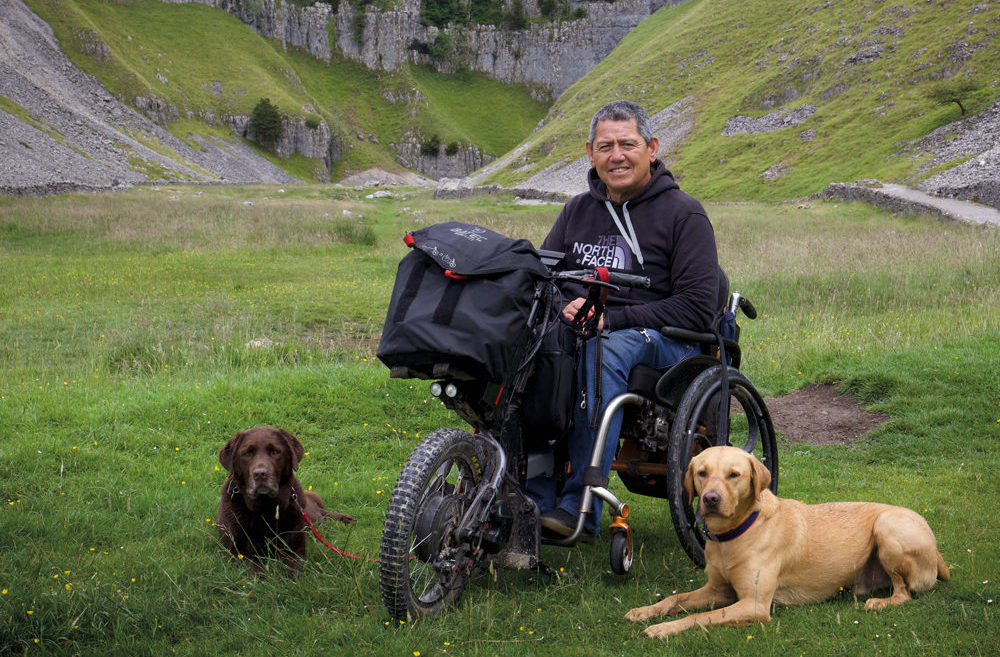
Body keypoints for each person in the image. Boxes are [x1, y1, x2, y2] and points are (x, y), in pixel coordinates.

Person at [527, 100, 723, 538]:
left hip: (666, 338)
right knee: (526, 341)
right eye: (606, 146)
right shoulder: (576, 211)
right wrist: (563, 305)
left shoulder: (684, 214)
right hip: (586, 328)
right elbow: (545, 277)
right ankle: (527, 497)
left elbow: (697, 306)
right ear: (590, 153)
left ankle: (580, 505)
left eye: (628, 144)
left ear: (651, 148)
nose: (616, 155)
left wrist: (610, 319)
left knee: (604, 348)